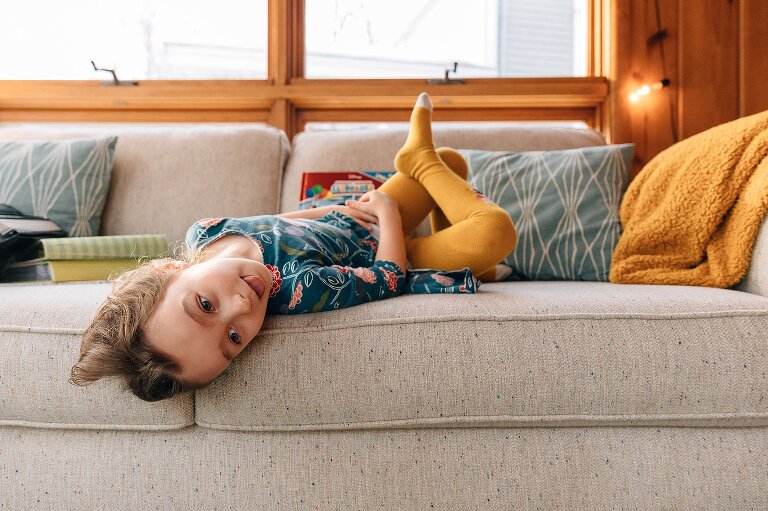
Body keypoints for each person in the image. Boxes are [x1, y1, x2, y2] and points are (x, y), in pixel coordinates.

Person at [69, 93, 517, 402]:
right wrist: (388, 215)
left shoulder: (203, 232)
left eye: (205, 304)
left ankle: (434, 188)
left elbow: (277, 221)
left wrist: (341, 209)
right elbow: (387, 279)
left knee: (452, 163)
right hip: (394, 248)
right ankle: (423, 170)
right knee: (493, 233)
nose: (241, 305)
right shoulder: (301, 290)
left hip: (354, 219)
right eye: (233, 337)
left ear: (169, 269)